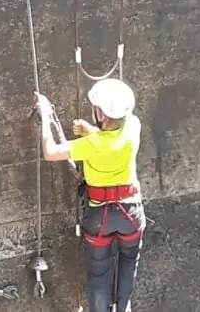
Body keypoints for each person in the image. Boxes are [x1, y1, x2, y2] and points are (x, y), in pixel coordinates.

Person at [35, 79, 145, 312]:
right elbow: (111, 140)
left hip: (100, 216)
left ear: (101, 115)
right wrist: (92, 130)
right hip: (131, 214)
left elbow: (50, 152)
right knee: (128, 263)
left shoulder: (90, 144)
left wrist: (45, 116)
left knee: (98, 272)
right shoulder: (133, 126)